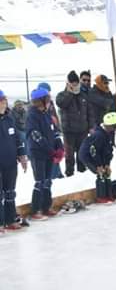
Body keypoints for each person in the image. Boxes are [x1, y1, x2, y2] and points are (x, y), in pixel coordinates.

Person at [25, 88, 63, 220]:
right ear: (40, 101)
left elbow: (55, 132)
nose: (49, 101)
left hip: (49, 153)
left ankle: (46, 207)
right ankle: (36, 210)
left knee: (48, 181)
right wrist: (51, 150)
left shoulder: (47, 114)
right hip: (38, 153)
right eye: (47, 99)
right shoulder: (32, 115)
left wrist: (60, 147)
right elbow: (36, 136)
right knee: (40, 181)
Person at [79, 112, 116, 204]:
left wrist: (107, 164)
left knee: (107, 173)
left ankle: (109, 195)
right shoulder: (99, 135)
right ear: (112, 126)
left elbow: (108, 150)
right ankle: (101, 196)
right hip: (88, 155)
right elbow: (93, 151)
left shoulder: (110, 133)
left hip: (99, 154)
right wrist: (99, 165)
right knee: (100, 174)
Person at [0, 90, 28, 233]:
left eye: (4, 100)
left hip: (10, 163)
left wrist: (22, 155)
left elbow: (17, 139)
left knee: (10, 193)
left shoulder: (9, 119)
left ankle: (10, 220)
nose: (4, 103)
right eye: (1, 101)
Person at [56, 70, 91, 176]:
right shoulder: (62, 95)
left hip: (82, 130)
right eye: (73, 83)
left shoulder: (83, 95)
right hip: (69, 131)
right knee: (69, 156)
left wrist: (91, 126)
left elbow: (89, 112)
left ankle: (82, 173)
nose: (75, 86)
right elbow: (62, 104)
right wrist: (70, 93)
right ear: (68, 83)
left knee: (82, 154)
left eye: (77, 83)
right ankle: (70, 175)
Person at [38, 82, 64, 179]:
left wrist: (57, 127)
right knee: (50, 153)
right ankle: (51, 175)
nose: (48, 93)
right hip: (44, 133)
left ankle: (58, 173)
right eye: (47, 92)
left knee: (57, 151)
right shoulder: (38, 103)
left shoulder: (50, 102)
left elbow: (54, 115)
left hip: (52, 129)